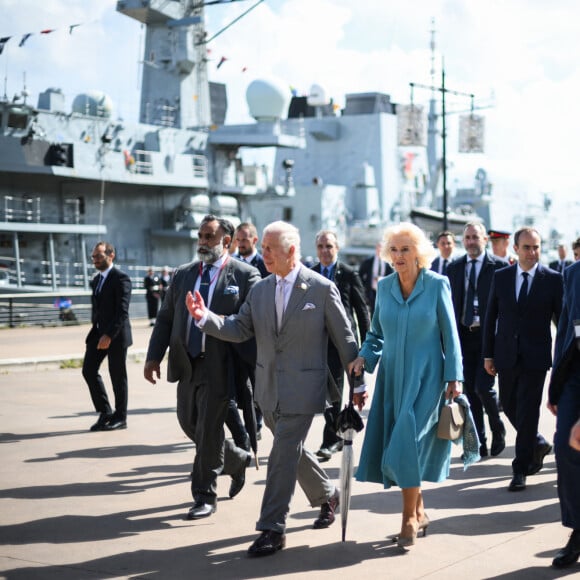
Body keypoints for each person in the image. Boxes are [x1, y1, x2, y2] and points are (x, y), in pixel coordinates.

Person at [186, 220, 359, 557]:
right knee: (288, 449)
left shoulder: (321, 289)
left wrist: (359, 378)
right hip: (267, 389)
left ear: (291, 251)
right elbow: (239, 327)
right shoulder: (261, 289)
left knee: (280, 455)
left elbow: (346, 337)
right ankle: (327, 494)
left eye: (269, 248)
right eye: (262, 247)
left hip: (304, 388)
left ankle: (272, 528)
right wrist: (205, 318)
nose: (262, 253)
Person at [349, 222, 463, 548]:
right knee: (405, 446)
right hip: (393, 379)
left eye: (405, 249)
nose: (398, 256)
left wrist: (455, 377)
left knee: (406, 441)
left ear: (418, 253)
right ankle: (421, 511)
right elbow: (375, 336)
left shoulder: (437, 284)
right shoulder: (384, 287)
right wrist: (363, 359)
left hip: (428, 378)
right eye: (394, 250)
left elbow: (450, 334)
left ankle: (408, 518)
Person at [144, 215, 261, 520]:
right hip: (187, 363)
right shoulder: (183, 275)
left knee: (209, 430)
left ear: (227, 241)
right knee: (188, 422)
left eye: (209, 236)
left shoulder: (246, 276)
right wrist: (153, 357)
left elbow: (252, 327)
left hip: (221, 366)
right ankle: (235, 459)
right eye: (200, 236)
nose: (202, 242)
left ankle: (204, 495)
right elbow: (167, 318)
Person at [483, 227, 563, 491]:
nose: (532, 252)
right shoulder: (502, 277)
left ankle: (521, 469)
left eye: (536, 247)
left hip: (536, 358)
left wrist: (566, 356)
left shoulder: (552, 279)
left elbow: (560, 322)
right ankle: (537, 442)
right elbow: (490, 317)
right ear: (516, 249)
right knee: (507, 403)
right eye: (527, 247)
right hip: (506, 355)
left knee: (528, 411)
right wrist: (488, 354)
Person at [447, 222, 508, 457]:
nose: (471, 241)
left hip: (488, 338)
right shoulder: (455, 267)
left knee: (484, 387)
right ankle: (479, 443)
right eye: (468, 238)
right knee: (470, 392)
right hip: (463, 336)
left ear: (485, 239)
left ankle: (497, 426)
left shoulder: (499, 267)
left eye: (475, 237)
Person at [311, 230, 370, 460]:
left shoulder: (347, 273)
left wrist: (366, 345)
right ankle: (333, 436)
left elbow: (361, 311)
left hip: (342, 342)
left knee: (344, 390)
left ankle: (332, 439)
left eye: (329, 246)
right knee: (325, 392)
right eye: (321, 247)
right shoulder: (311, 274)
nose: (325, 251)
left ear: (337, 248)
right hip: (320, 342)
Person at [547, 260, 580, 568]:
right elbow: (567, 332)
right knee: (565, 447)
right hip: (574, 373)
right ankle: (577, 528)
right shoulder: (572, 273)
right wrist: (555, 387)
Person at [82, 241, 132, 432]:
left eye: (99, 256)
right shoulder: (96, 280)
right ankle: (105, 412)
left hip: (117, 336)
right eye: (93, 256)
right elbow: (97, 310)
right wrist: (97, 332)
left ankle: (121, 417)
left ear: (111, 256)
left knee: (117, 376)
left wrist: (109, 335)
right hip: (98, 334)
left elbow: (122, 311)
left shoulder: (121, 278)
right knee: (88, 370)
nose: (95, 260)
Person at [232, 221, 270, 441]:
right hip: (237, 334)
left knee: (257, 381)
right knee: (240, 382)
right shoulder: (233, 264)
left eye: (245, 239)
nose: (241, 243)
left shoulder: (265, 264)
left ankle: (256, 421)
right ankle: (249, 421)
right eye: (238, 239)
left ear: (255, 240)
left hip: (258, 336)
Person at [358, 241, 394, 316]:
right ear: (376, 249)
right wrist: (364, 286)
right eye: (379, 248)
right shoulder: (368, 261)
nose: (380, 250)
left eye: (382, 249)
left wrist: (382, 279)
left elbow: (392, 277)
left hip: (384, 291)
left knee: (383, 312)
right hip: (372, 291)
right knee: (373, 312)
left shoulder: (389, 262)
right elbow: (360, 275)